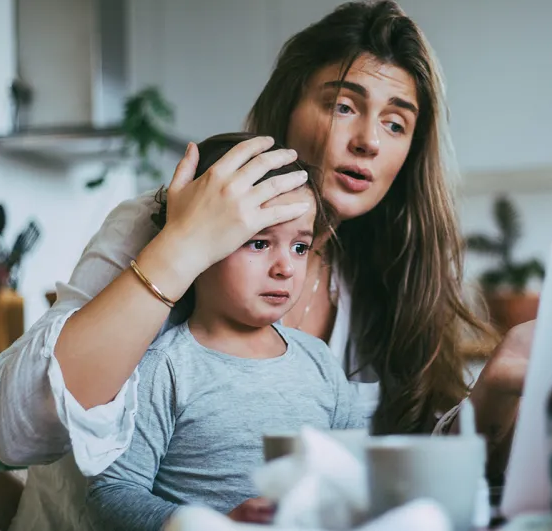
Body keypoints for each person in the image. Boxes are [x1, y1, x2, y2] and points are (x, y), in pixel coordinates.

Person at [0, 0, 530, 531]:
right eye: (344, 106)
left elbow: (388, 473)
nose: (367, 140)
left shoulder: (384, 273)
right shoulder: (159, 220)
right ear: (287, 108)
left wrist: (494, 392)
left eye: (395, 124)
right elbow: (17, 434)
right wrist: (184, 244)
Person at [86, 133, 364, 531]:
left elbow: (358, 470)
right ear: (202, 243)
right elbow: (111, 492)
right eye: (259, 242)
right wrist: (212, 522)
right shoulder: (166, 368)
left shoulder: (318, 360)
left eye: (300, 248)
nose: (285, 267)